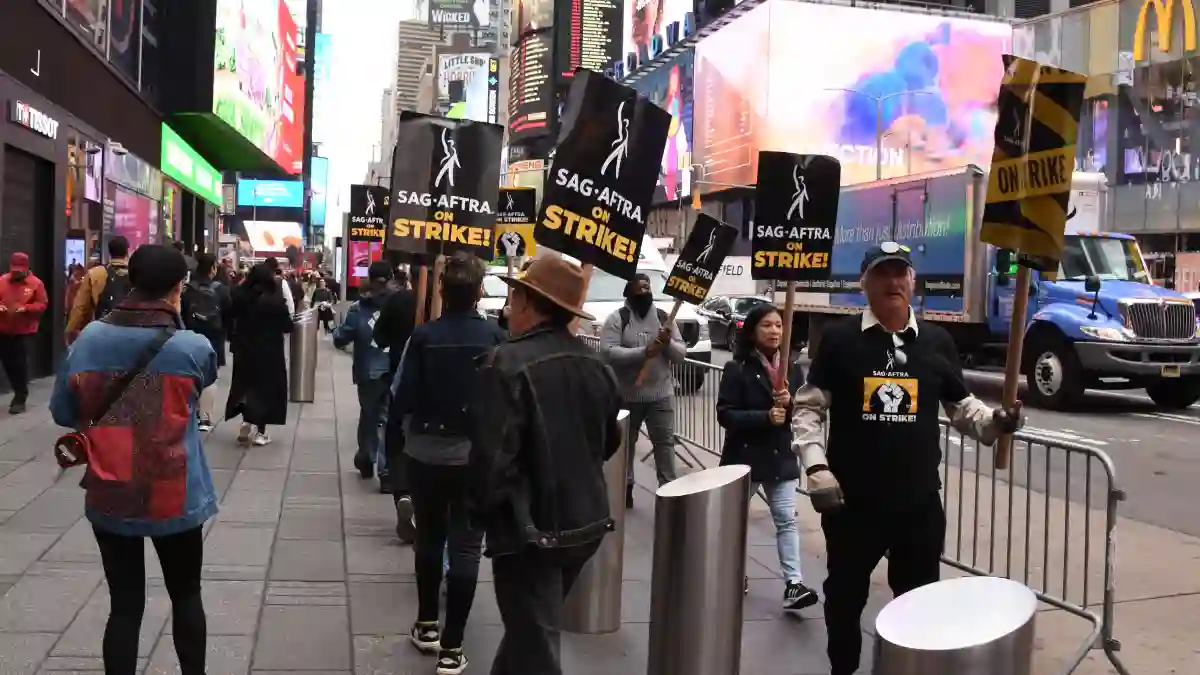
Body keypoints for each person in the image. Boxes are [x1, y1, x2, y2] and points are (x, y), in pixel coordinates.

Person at [791, 242, 1024, 675]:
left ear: (913, 282)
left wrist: (998, 422)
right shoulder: (840, 341)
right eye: (882, 274)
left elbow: (964, 409)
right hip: (851, 506)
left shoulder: (937, 342)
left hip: (917, 505)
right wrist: (816, 466)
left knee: (919, 608)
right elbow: (808, 408)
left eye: (901, 273)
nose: (893, 282)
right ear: (865, 283)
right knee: (844, 600)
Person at [49, 244, 218, 675]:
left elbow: (63, 412)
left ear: (131, 282)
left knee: (124, 607)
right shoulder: (192, 347)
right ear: (179, 288)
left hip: (111, 490)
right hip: (175, 492)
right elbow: (202, 388)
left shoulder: (90, 340)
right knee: (187, 595)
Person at [470, 257, 623, 675]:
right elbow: (610, 441)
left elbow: (491, 461)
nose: (507, 304)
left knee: (534, 646)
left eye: (513, 294)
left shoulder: (505, 363)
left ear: (529, 302)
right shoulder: (598, 366)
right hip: (585, 524)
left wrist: (480, 514)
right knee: (528, 632)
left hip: (530, 533)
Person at [391, 253, 506, 674]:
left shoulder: (423, 337)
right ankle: (453, 648)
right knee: (466, 547)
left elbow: (400, 393)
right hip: (474, 456)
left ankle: (425, 625)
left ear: (441, 291)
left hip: (425, 451)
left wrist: (398, 447)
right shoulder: (496, 337)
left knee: (430, 538)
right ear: (479, 292)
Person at [716, 304, 819, 609]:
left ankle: (793, 584)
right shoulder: (736, 368)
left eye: (778, 325)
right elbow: (726, 414)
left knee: (787, 520)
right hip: (743, 459)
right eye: (767, 325)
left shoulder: (793, 369)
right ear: (752, 330)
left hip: (780, 459)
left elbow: (804, 415)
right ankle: (733, 574)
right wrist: (764, 417)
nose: (774, 331)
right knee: (734, 522)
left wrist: (790, 405)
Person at [599, 272, 682, 508]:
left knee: (664, 444)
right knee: (626, 445)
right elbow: (608, 351)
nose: (644, 292)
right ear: (628, 292)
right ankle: (625, 488)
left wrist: (667, 344)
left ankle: (669, 491)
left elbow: (681, 354)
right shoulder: (618, 318)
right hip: (628, 396)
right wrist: (643, 352)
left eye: (647, 288)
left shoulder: (665, 318)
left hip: (661, 395)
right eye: (639, 288)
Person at [334, 261, 395, 491]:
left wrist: (337, 333)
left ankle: (367, 456)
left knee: (369, 416)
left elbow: (342, 337)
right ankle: (386, 469)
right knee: (388, 419)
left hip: (368, 370)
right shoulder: (401, 304)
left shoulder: (359, 309)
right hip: (393, 368)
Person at [224, 263, 292, 446]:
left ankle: (246, 421)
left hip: (244, 349)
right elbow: (287, 326)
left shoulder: (238, 295)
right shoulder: (275, 300)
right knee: (266, 390)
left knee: (245, 384)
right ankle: (260, 432)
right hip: (269, 353)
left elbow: (229, 317)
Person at [374, 263, 418, 538]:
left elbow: (379, 336)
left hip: (401, 378)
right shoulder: (469, 316)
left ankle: (402, 489)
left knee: (398, 434)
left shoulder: (399, 301)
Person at [182, 253, 233, 432]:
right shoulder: (221, 289)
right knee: (210, 378)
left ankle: (193, 414)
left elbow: (182, 313)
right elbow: (228, 314)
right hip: (214, 337)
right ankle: (206, 419)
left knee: (191, 375)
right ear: (212, 268)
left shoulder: (189, 289)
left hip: (191, 336)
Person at [0, 253, 48, 414]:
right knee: (7, 363)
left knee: (18, 364)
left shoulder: (36, 284)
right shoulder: (2, 281)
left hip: (23, 330)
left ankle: (20, 397)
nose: (16, 273)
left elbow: (42, 304)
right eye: (14, 270)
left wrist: (26, 308)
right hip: (3, 328)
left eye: (19, 270)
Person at [67, 236, 132, 344]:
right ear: (127, 251)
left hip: (101, 333)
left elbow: (80, 307)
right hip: (130, 334)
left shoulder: (95, 274)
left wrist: (71, 330)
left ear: (109, 252)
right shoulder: (137, 273)